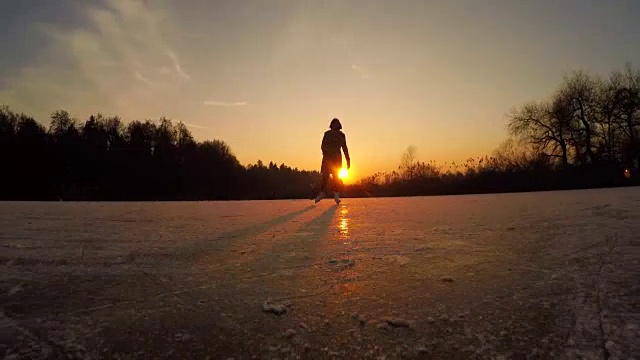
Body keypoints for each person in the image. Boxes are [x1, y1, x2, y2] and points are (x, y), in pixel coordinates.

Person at [315, 118, 350, 204]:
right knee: (325, 176)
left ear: (339, 125)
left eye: (337, 123)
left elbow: (344, 147)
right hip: (327, 158)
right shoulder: (327, 134)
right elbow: (323, 145)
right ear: (331, 124)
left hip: (337, 158)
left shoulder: (342, 135)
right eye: (334, 123)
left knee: (336, 177)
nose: (335, 125)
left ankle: (336, 195)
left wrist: (348, 160)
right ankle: (322, 193)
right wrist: (325, 152)